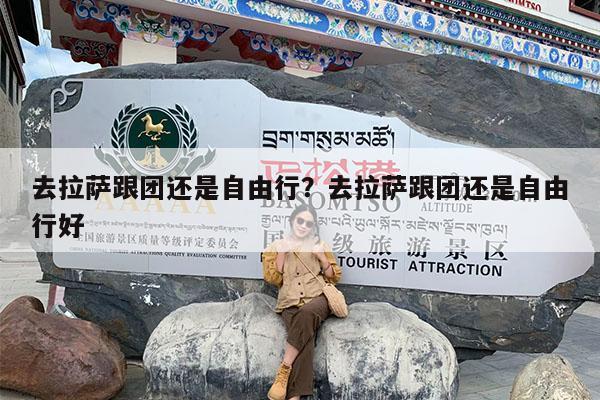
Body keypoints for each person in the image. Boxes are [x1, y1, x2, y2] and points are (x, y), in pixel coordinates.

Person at [262, 204, 342, 400]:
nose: (303, 226)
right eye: (300, 221)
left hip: (318, 299)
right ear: (292, 220)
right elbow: (274, 278)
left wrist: (322, 258)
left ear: (313, 227)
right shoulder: (276, 246)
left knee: (306, 313)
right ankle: (294, 397)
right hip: (289, 301)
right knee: (305, 339)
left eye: (308, 223)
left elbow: (333, 276)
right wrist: (282, 253)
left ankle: (284, 367)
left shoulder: (319, 245)